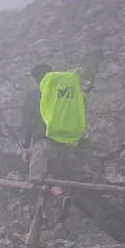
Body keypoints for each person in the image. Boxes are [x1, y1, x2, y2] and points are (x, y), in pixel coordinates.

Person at [22, 63, 87, 191]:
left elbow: (27, 123)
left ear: (35, 80)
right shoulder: (63, 94)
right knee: (56, 177)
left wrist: (25, 148)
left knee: (36, 178)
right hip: (64, 143)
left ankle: (59, 195)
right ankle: (61, 202)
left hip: (43, 142)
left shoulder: (34, 96)